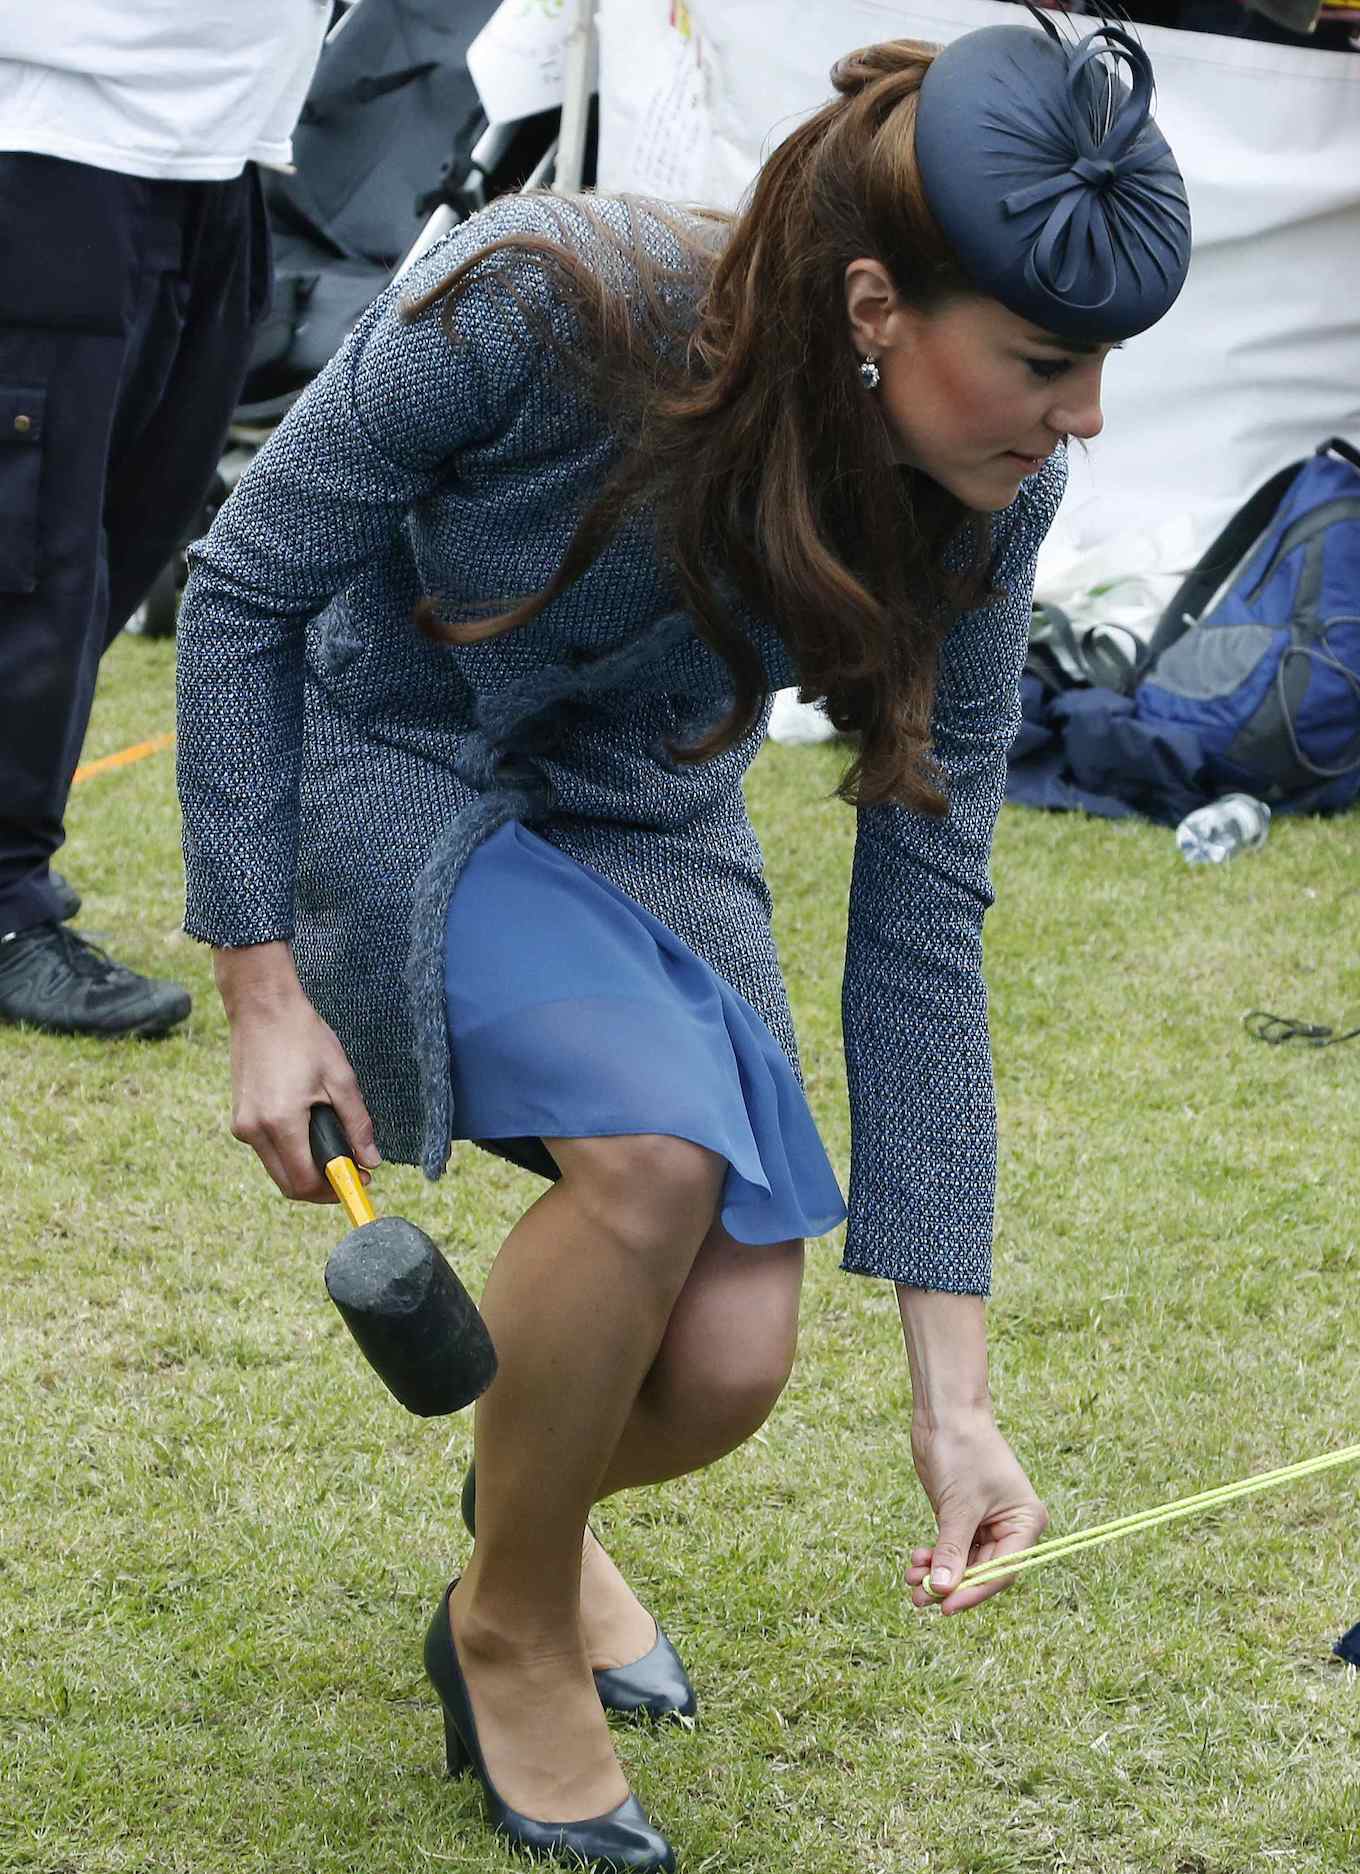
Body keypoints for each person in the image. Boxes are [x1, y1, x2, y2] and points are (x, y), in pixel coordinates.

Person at [176, 17, 1191, 1872]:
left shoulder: (990, 503)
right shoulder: (544, 295)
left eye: (1100, 366)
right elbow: (246, 584)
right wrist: (263, 987)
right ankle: (512, 1628)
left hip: (643, 815)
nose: (1085, 418)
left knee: (726, 1354)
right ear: (878, 303)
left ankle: (522, 1530)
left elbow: (922, 919)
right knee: (650, 1163)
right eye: (1044, 363)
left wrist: (954, 1403)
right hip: (390, 751)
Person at [0, 0, 329, 1037]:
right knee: (39, 559)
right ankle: (7, 909)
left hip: (220, 149)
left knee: (129, 534)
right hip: (58, 134)